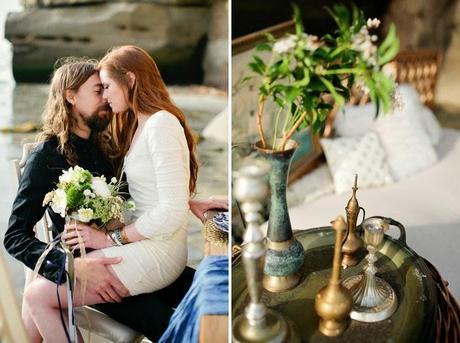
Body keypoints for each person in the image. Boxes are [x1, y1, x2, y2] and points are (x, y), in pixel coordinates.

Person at [3, 55, 225, 342]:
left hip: (124, 253)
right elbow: (14, 236)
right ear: (71, 96)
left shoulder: (104, 146)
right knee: (165, 321)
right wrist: (71, 267)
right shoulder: (46, 157)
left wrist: (188, 201)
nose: (106, 98)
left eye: (107, 88)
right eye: (98, 90)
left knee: (202, 287)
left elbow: (141, 195)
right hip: (91, 266)